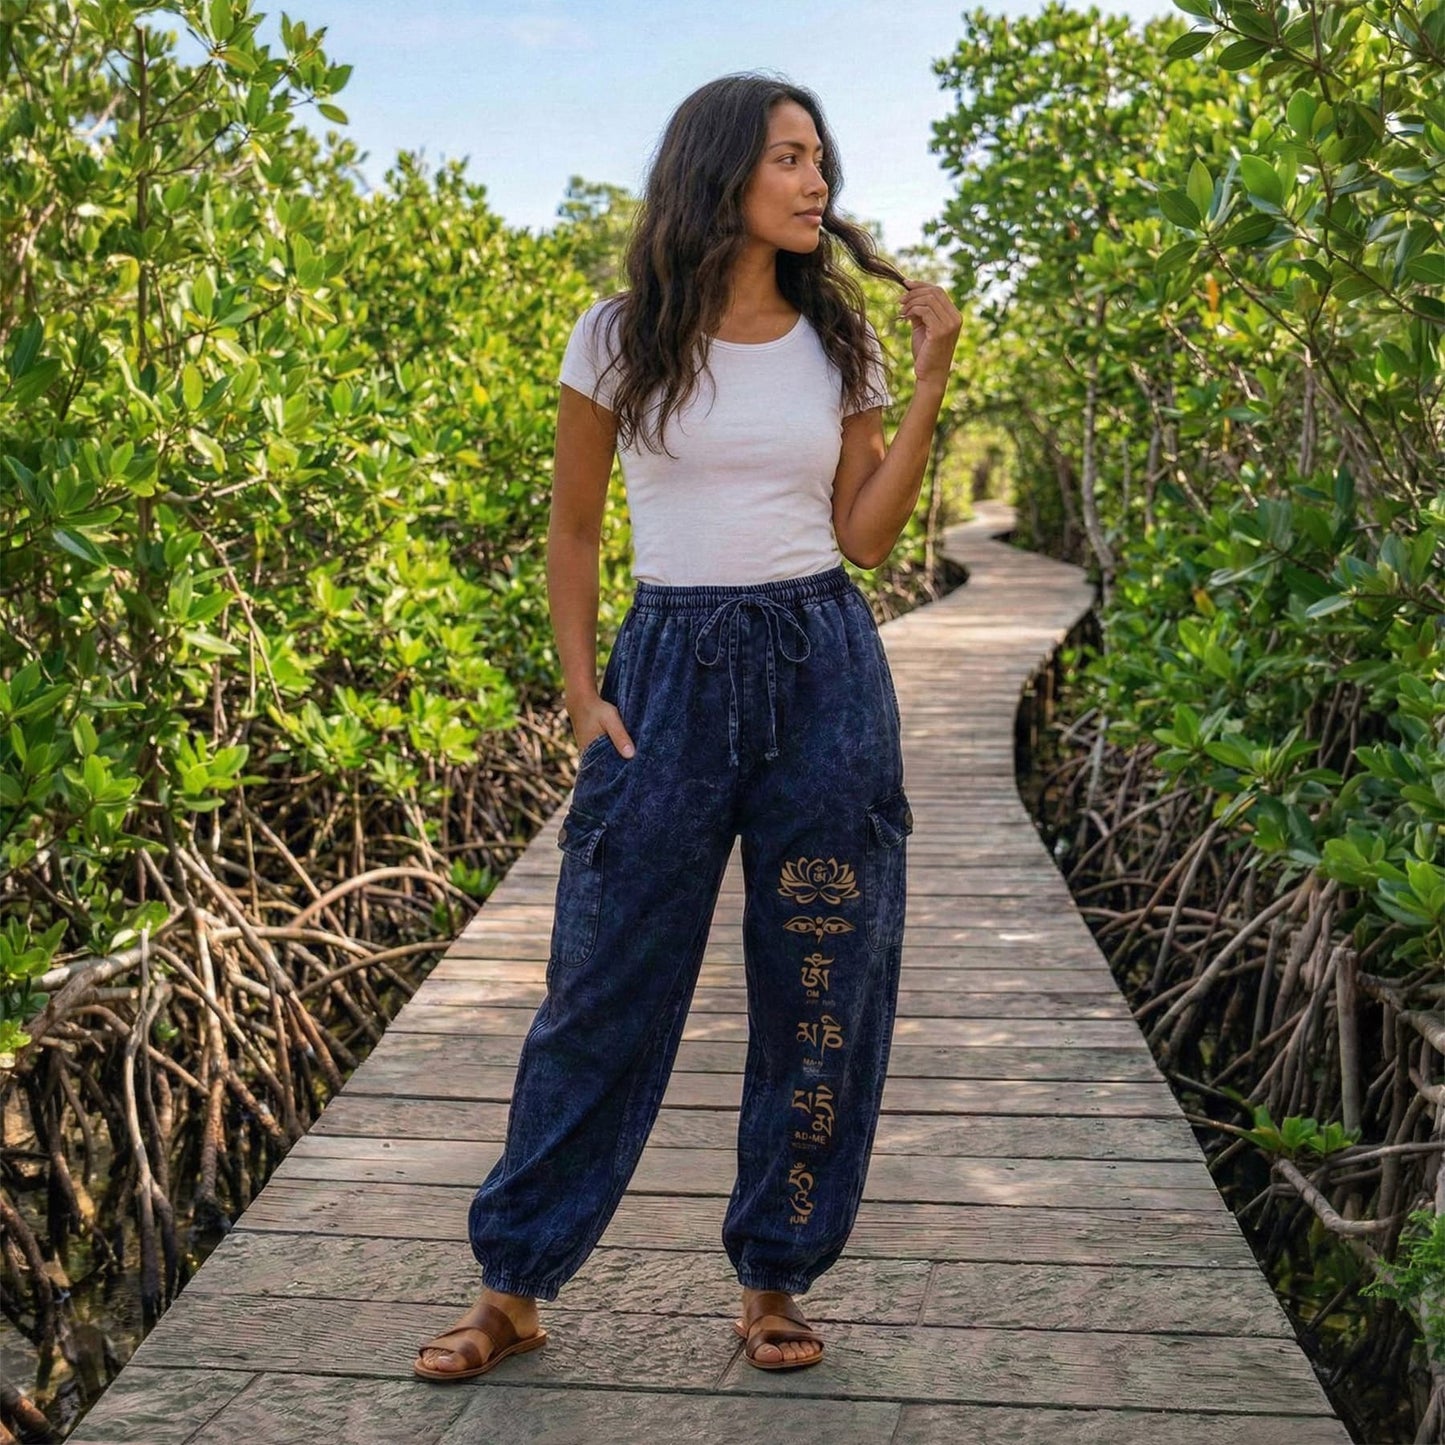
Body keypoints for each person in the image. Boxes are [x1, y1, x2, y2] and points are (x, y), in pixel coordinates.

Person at [415, 70, 960, 1382]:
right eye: (788, 157)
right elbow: (575, 526)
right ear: (721, 170)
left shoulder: (842, 343)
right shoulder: (614, 335)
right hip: (661, 669)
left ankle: (774, 1278)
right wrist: (579, 686)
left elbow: (868, 537)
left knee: (822, 983)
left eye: (820, 159)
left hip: (822, 663)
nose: (816, 181)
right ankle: (515, 1281)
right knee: (602, 979)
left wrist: (931, 367)